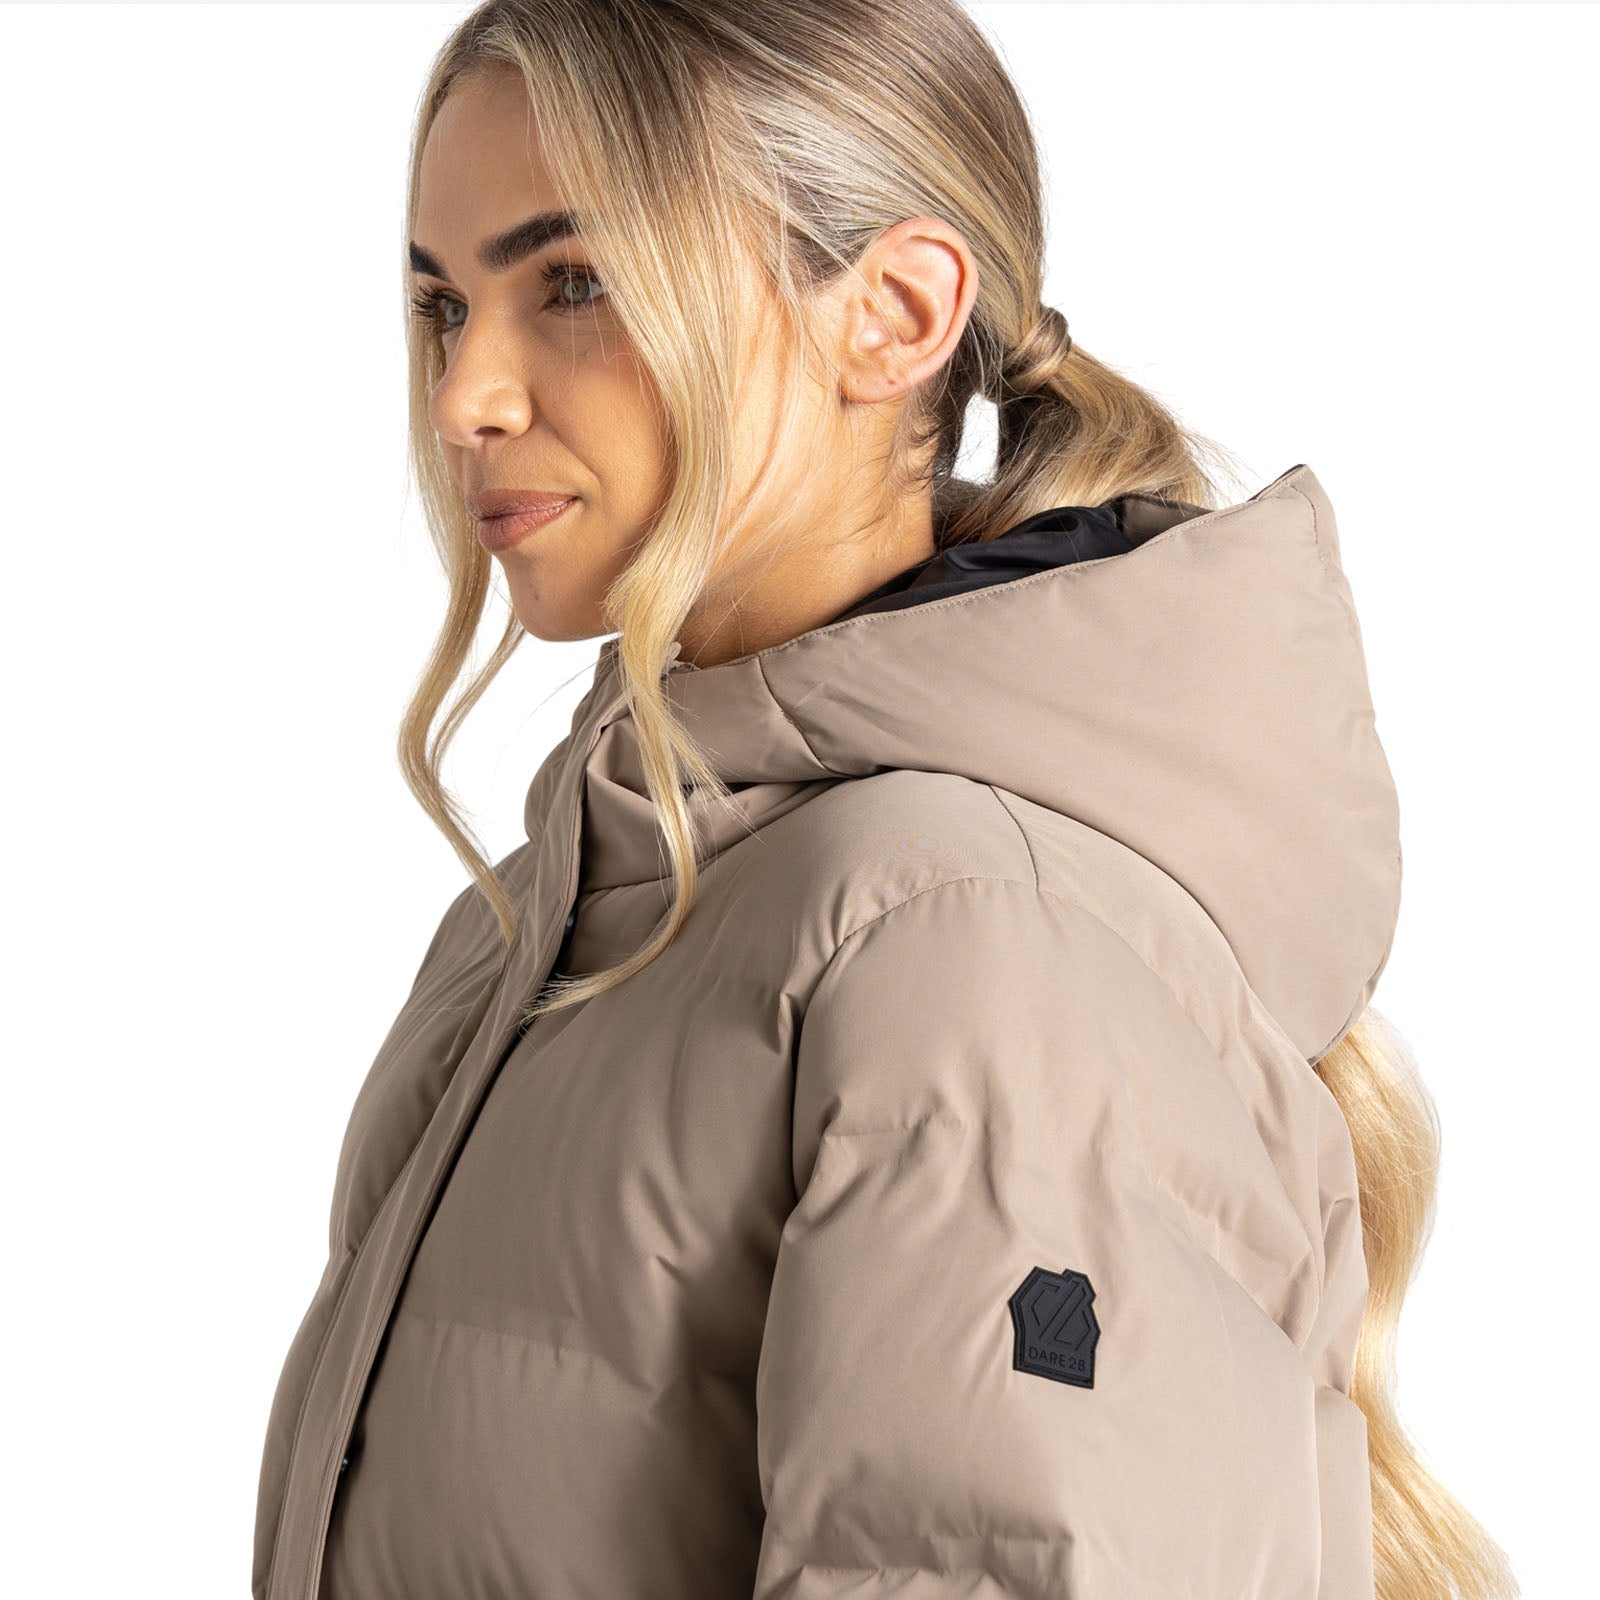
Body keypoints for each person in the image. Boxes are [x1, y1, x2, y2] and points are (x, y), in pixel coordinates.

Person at [251, 3, 1519, 1598]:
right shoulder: (571, 909)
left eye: (574, 284)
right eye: (445, 304)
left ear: (896, 315)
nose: (465, 398)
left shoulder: (956, 927)